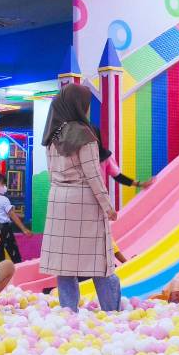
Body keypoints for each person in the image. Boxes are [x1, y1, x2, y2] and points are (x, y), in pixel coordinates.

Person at [40, 83, 120, 313]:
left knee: (64, 265)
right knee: (100, 262)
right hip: (84, 201)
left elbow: (51, 173)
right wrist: (108, 206)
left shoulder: (52, 135)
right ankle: (112, 312)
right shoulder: (85, 134)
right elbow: (93, 175)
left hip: (58, 201)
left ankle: (69, 313)